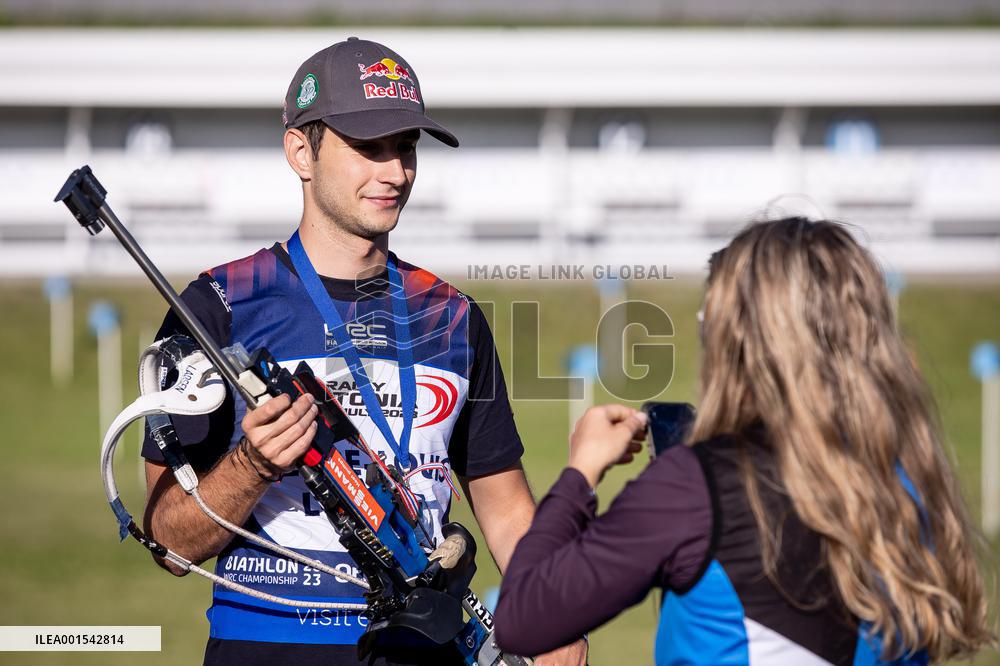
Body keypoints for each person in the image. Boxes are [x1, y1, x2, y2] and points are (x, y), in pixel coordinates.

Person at [141, 37, 585, 666]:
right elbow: (167, 543)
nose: (395, 172)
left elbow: (506, 505)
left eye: (405, 148)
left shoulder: (454, 315)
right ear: (301, 150)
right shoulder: (216, 306)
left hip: (426, 642)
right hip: (269, 646)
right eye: (366, 148)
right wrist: (254, 465)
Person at [494, 218, 994, 664]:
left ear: (741, 339)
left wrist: (581, 473)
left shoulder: (699, 487)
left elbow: (524, 617)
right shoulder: (906, 478)